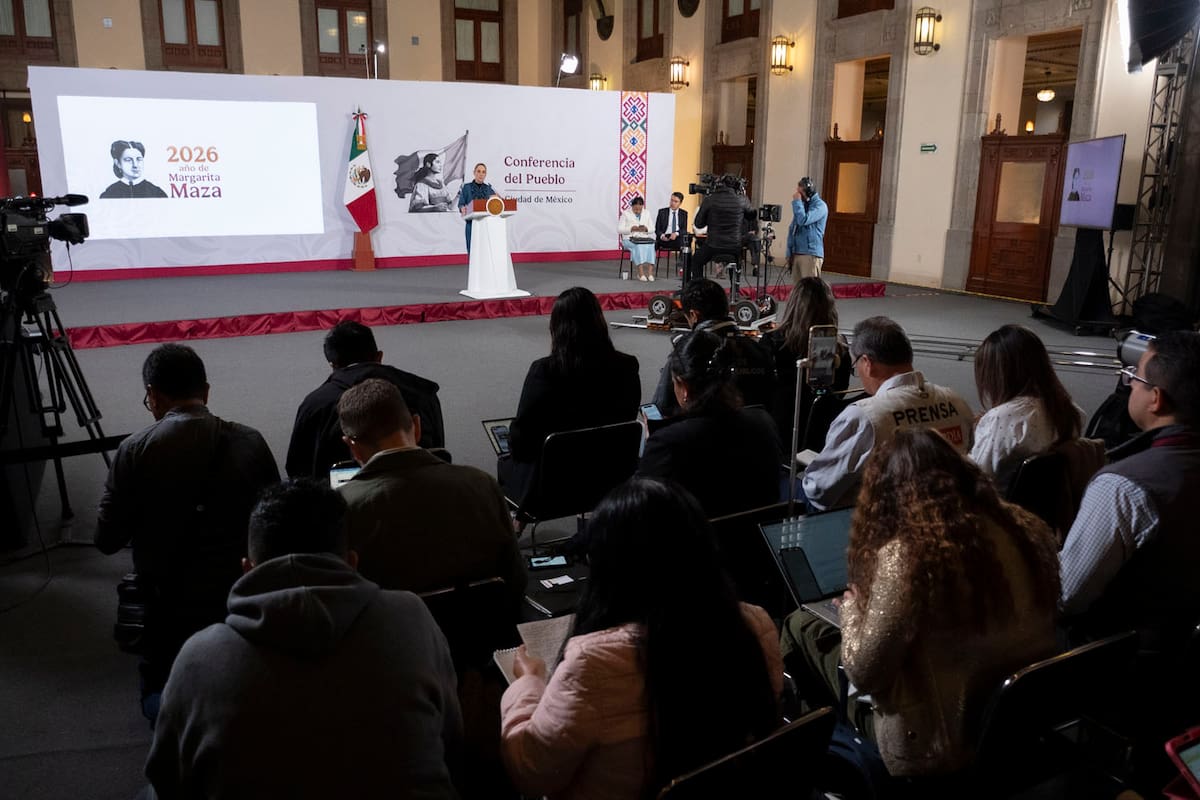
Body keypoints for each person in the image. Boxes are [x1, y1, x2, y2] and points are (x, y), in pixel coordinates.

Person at [145, 479, 463, 799]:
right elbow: (450, 735)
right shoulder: (411, 616)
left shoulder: (198, 657)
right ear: (351, 562)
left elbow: (168, 780)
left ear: (247, 569)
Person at [781, 429, 1060, 777]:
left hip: (933, 744)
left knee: (800, 625)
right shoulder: (1025, 525)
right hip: (1018, 722)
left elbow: (865, 673)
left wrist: (851, 610)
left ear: (886, 494)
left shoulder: (908, 555)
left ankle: (820, 761)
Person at [500, 477, 782, 799]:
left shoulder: (593, 664)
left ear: (610, 564)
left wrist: (528, 683)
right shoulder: (757, 626)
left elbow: (530, 771)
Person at [94, 343, 279, 723]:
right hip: (239, 597)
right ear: (206, 392)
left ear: (153, 396)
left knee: (160, 693)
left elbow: (106, 539)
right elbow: (274, 524)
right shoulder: (251, 440)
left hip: (167, 603)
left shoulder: (134, 450)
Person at [1059, 331, 1200, 651]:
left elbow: (1066, 597)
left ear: (1156, 398)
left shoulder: (1122, 488)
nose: (1130, 385)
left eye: (1134, 377)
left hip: (1113, 663)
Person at [336, 378, 526, 609]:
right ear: (416, 427)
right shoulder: (481, 483)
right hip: (487, 630)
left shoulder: (341, 508)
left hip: (398, 640)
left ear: (352, 446)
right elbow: (516, 578)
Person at [801, 316, 973, 511]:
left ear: (867, 362)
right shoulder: (957, 402)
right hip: (948, 515)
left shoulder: (865, 417)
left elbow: (821, 492)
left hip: (880, 523)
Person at [499, 286, 641, 504]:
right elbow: (626, 419)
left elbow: (522, 439)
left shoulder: (544, 371)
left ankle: (518, 516)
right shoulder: (627, 365)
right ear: (599, 322)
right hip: (612, 472)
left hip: (554, 483)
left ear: (556, 327)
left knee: (508, 456)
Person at [638, 329, 782, 518]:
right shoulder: (764, 422)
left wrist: (653, 444)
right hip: (759, 542)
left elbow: (642, 510)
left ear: (684, 388)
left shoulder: (667, 443)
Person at [285, 320, 444, 479]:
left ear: (333, 365)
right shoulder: (423, 392)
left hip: (339, 500)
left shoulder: (316, 404)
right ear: (379, 356)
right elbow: (439, 455)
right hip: (426, 494)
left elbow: (297, 469)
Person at [970, 324, 1084, 490]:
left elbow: (978, 476)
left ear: (998, 376)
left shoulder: (1002, 418)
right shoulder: (1069, 410)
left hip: (1001, 507)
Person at [649, 278, 776, 418]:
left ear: (693, 315)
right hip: (756, 432)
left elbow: (660, 408)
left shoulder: (687, 353)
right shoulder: (758, 349)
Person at [762, 277, 851, 451]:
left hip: (781, 429)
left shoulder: (772, 341)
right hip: (824, 430)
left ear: (793, 304)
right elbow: (841, 390)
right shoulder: (839, 346)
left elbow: (762, 389)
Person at [691, 175, 758, 282]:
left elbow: (699, 224)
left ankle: (698, 288)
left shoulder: (709, 199)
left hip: (713, 245)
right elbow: (752, 217)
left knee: (696, 260)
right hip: (734, 245)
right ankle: (735, 291)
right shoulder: (742, 200)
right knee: (737, 260)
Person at [785, 177, 828, 280]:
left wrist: (797, 202)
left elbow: (803, 220)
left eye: (800, 193)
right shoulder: (802, 205)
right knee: (798, 290)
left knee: (810, 290)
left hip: (810, 253)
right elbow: (792, 228)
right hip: (797, 253)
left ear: (808, 192)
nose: (798, 195)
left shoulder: (820, 206)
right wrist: (789, 252)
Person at [99, 140, 168, 198]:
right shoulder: (109, 194)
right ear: (118, 163)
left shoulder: (157, 193)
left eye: (139, 159)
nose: (135, 165)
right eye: (128, 160)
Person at [457, 162, 497, 252]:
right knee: (472, 251)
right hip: (471, 225)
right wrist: (462, 208)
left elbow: (494, 204)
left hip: (486, 225)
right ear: (474, 173)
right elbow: (461, 204)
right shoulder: (466, 187)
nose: (481, 174)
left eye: (483, 172)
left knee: (485, 251)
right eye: (478, 171)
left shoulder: (489, 189)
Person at [617, 195, 656, 281]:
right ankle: (640, 273)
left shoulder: (647, 213)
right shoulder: (626, 213)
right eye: (635, 210)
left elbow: (653, 228)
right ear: (632, 206)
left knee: (652, 245)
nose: (638, 211)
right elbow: (619, 229)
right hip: (629, 239)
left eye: (640, 209)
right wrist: (631, 229)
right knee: (638, 246)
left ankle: (650, 273)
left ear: (642, 207)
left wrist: (646, 229)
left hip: (643, 238)